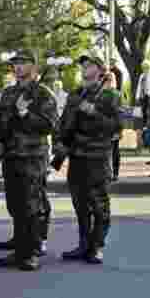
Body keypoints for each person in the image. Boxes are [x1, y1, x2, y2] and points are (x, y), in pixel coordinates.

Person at [0, 49, 58, 271]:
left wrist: (24, 114)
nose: (18, 67)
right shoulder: (9, 93)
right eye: (16, 63)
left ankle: (31, 251)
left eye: (23, 63)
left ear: (34, 67)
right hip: (11, 155)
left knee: (31, 204)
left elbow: (49, 125)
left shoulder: (43, 94)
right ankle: (20, 248)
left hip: (32, 156)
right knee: (15, 204)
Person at [52, 53, 120, 264]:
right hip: (77, 157)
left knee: (99, 204)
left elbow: (116, 128)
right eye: (83, 65)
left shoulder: (110, 96)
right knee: (80, 204)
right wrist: (59, 142)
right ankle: (83, 245)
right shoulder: (75, 95)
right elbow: (64, 123)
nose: (84, 68)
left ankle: (97, 246)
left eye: (89, 65)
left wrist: (94, 113)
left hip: (97, 158)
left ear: (100, 71)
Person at [104, 72, 122, 181]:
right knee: (104, 151)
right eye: (106, 79)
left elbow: (119, 112)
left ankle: (115, 173)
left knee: (115, 150)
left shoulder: (117, 94)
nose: (108, 81)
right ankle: (107, 172)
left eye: (110, 79)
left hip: (114, 126)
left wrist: (119, 129)